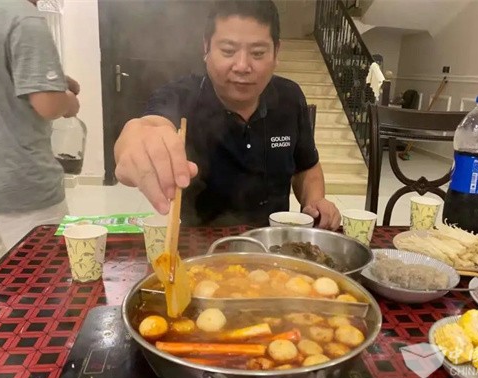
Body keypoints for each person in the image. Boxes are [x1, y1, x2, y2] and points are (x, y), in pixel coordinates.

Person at [115, 0, 341, 230]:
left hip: (273, 243)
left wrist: (315, 201)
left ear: (276, 53)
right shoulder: (180, 96)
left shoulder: (289, 98)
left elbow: (307, 167)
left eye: (257, 53)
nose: (242, 66)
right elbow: (147, 127)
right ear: (206, 48)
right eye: (228, 51)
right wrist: (137, 141)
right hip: (198, 243)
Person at [0, 0, 80, 297]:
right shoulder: (24, 19)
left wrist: (54, 80)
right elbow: (49, 105)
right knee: (46, 282)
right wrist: (69, 102)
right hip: (20, 181)